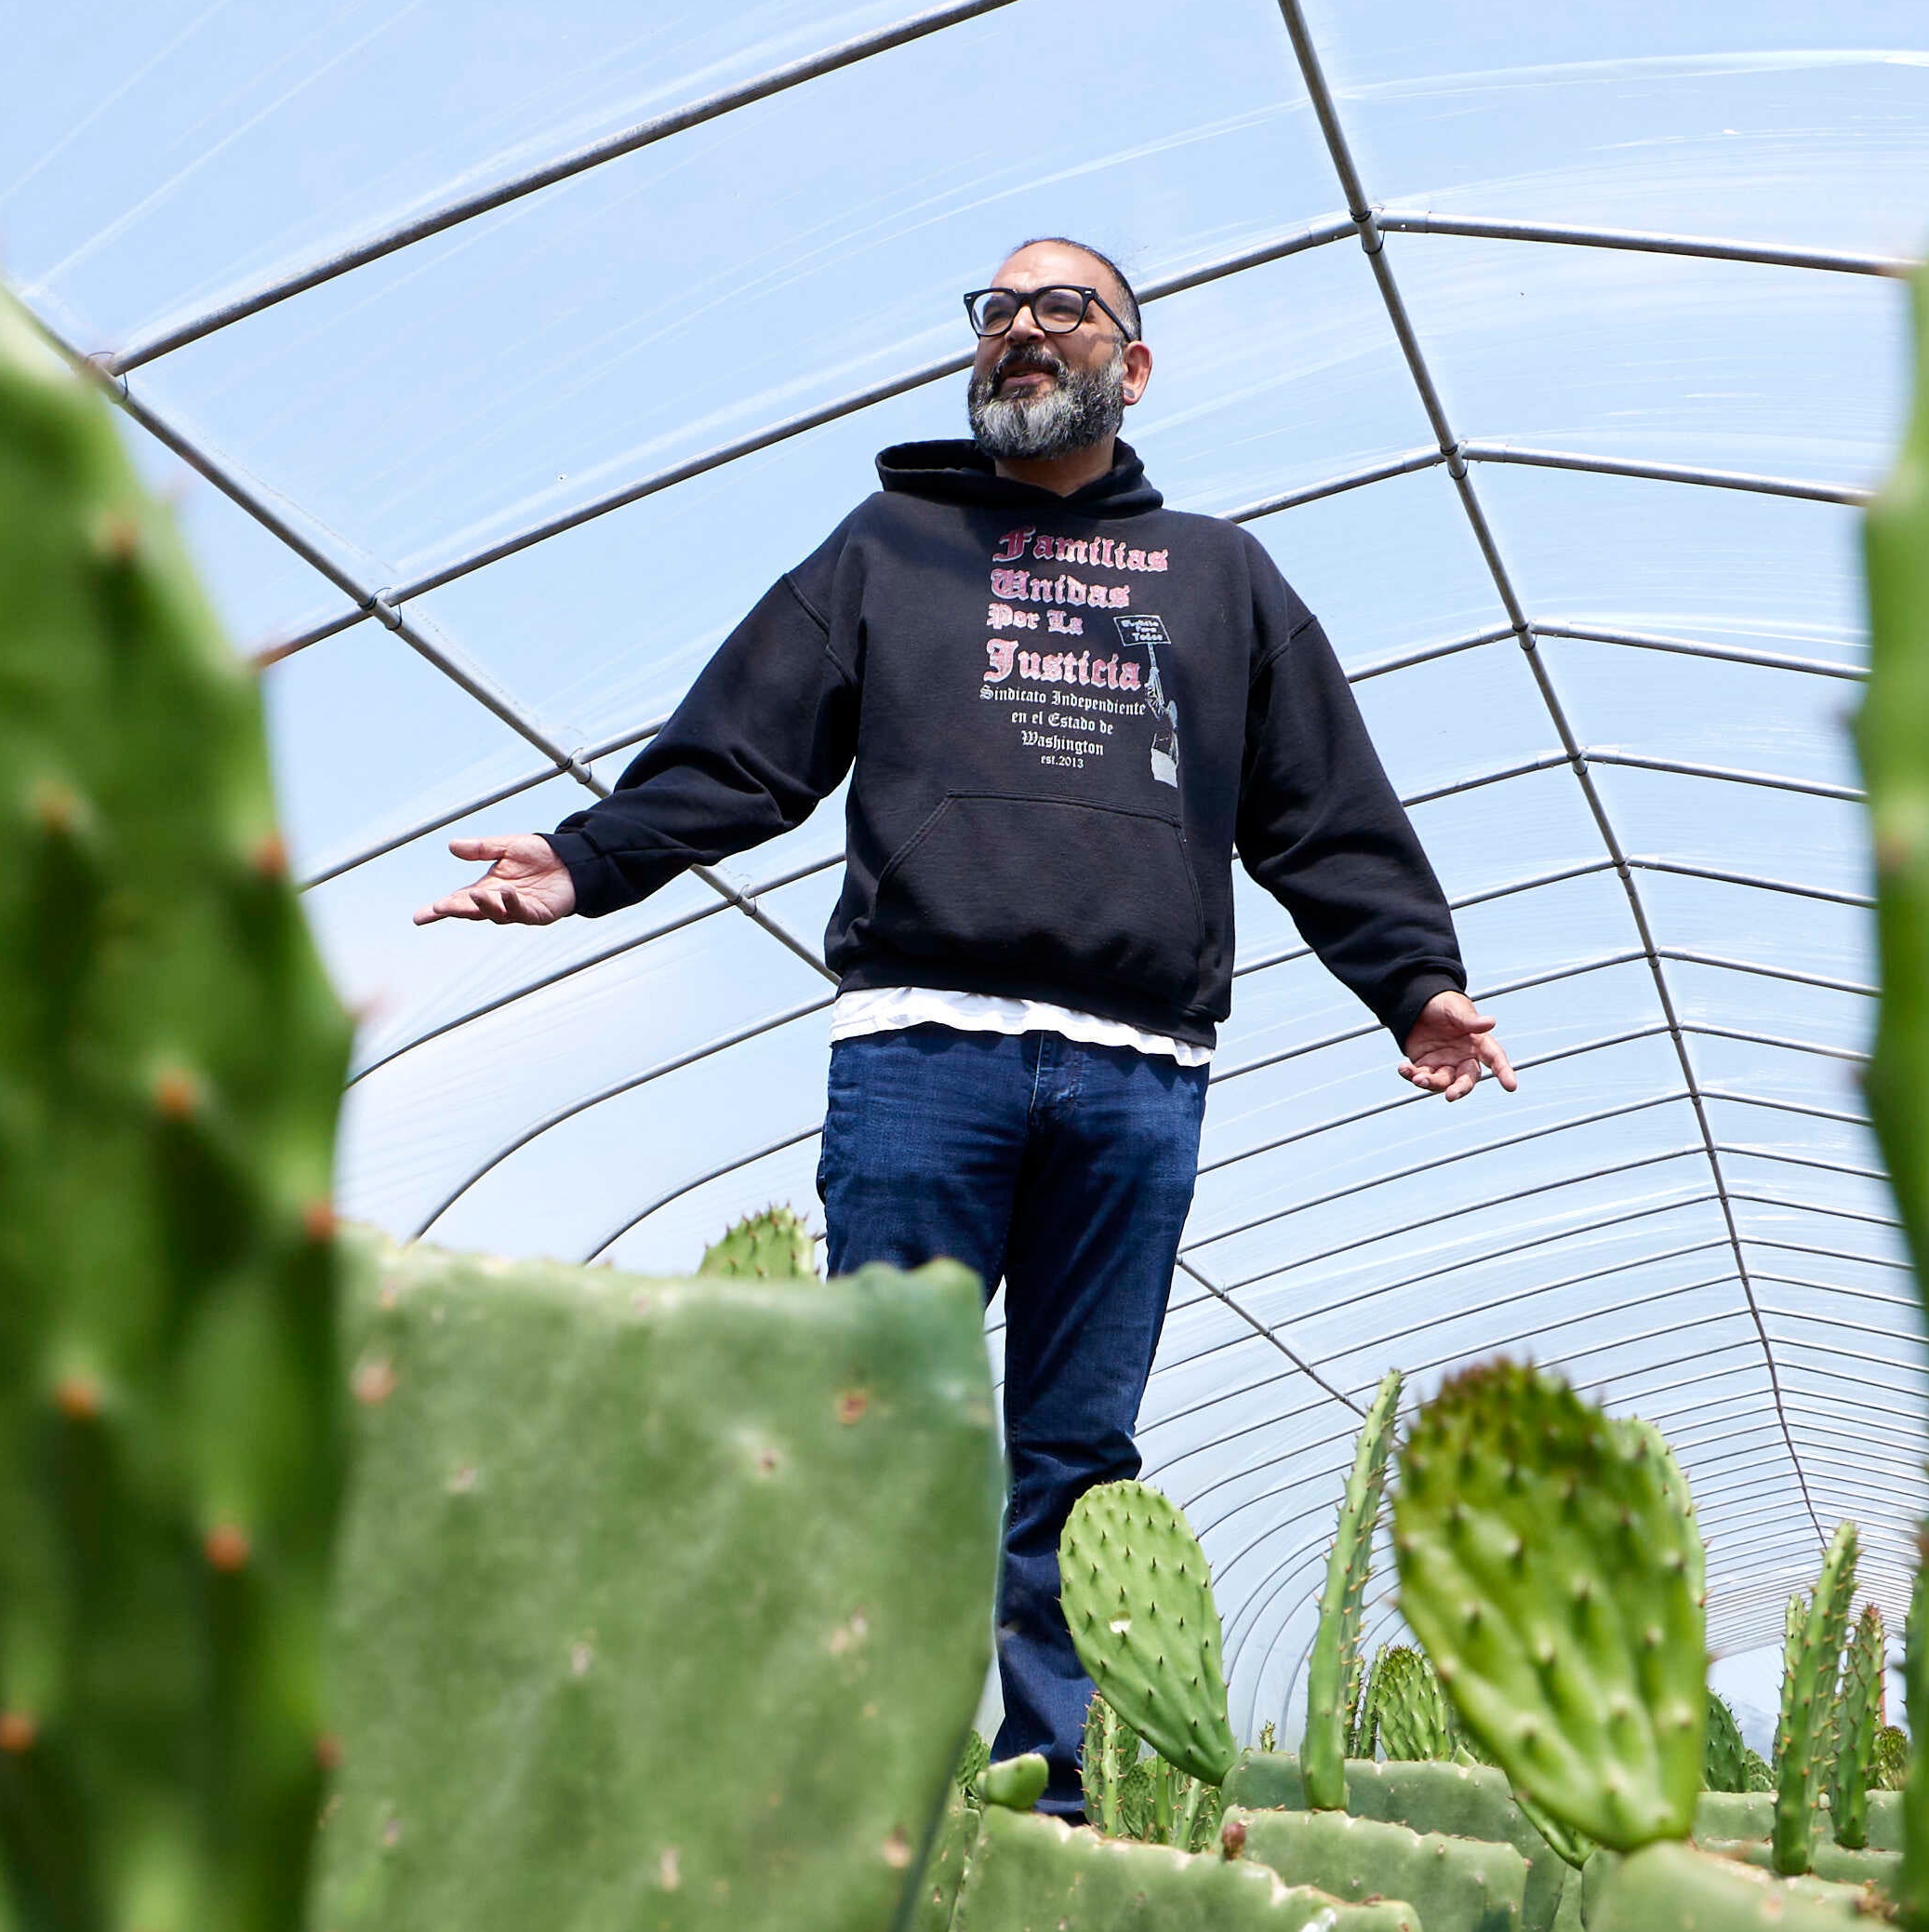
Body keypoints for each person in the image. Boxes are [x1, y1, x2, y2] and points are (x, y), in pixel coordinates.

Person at [416, 238, 1510, 1814]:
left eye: (1062, 309)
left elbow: (1319, 808)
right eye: (996, 312)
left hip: (1139, 1075)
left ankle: (1053, 1800)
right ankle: (844, 1785)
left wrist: (1410, 977)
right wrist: (589, 861)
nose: (1019, 330)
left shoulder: (1222, 578)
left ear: (1134, 369)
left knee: (1077, 1455)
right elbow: (741, 752)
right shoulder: (892, 550)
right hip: (924, 1051)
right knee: (871, 1424)